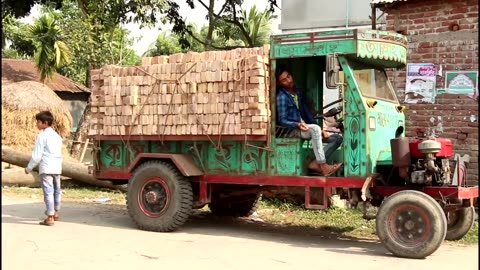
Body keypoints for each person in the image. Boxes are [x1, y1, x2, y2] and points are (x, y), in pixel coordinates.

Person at [276, 66, 342, 176]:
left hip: (305, 128)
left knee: (337, 138)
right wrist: (297, 124)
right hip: (291, 130)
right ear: (279, 83)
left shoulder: (297, 91)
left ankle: (315, 163)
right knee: (315, 129)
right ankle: (323, 165)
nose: (289, 80)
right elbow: (282, 120)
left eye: (289, 76)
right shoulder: (281, 97)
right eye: (284, 80)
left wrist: (320, 129)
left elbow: (306, 113)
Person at [25, 111, 63, 226]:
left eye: (38, 122)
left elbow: (37, 155)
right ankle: (56, 212)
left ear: (44, 123)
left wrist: (29, 167)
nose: (37, 124)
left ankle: (50, 217)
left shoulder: (42, 136)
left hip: (46, 167)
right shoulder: (57, 136)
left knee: (48, 191)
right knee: (57, 190)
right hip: (57, 167)